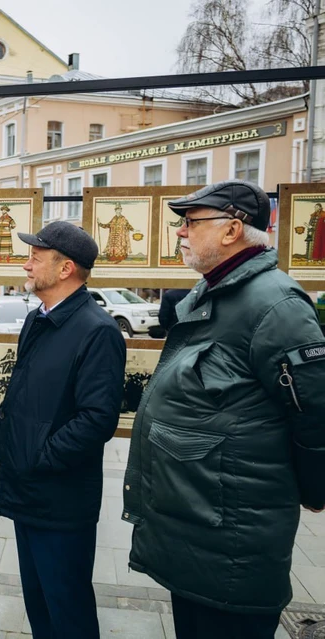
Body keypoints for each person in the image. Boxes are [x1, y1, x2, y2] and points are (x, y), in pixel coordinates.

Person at [122, 180, 325, 639]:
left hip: (232, 544)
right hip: (197, 533)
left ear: (233, 229)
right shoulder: (213, 295)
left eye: (191, 222)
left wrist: (314, 490)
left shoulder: (275, 304)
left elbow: (316, 416)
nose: (180, 232)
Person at [0, 221, 126, 639]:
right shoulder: (37, 319)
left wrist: (39, 458)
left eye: (35, 257)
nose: (26, 264)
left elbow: (97, 419)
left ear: (65, 269)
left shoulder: (97, 330)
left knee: (68, 611)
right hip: (28, 489)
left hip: (60, 499)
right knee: (40, 606)